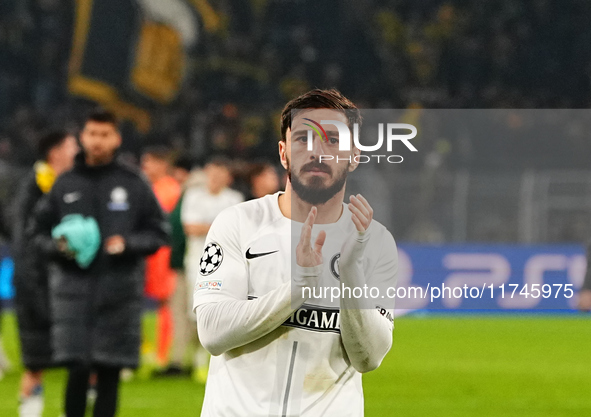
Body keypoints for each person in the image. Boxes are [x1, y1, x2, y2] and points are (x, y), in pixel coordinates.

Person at [193, 89, 398, 416]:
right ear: (284, 153)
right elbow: (213, 333)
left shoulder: (374, 242)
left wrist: (350, 273)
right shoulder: (238, 223)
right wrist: (298, 288)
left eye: (332, 139)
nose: (317, 151)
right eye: (303, 138)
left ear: (354, 155)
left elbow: (369, 357)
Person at [31, 109, 168, 417]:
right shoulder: (65, 183)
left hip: (118, 294)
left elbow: (159, 232)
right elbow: (36, 234)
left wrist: (128, 244)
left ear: (116, 138)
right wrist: (60, 246)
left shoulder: (133, 183)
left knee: (109, 373)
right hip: (73, 295)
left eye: (104, 134)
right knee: (77, 370)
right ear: (82, 137)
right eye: (92, 134)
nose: (97, 141)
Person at [11, 130, 78, 417]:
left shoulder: (69, 185)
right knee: (35, 363)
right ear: (56, 153)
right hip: (37, 286)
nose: (78, 150)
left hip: (65, 285)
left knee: (82, 362)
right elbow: (24, 243)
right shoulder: (33, 188)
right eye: (72, 145)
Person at [182, 156, 243, 382]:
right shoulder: (193, 197)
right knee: (197, 312)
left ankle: (219, 362)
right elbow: (190, 227)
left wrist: (208, 227)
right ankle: (199, 360)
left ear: (228, 177)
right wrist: (220, 226)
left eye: (220, 174)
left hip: (227, 264)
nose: (215, 178)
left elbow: (237, 232)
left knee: (223, 311)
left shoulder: (235, 198)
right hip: (197, 263)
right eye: (212, 173)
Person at [140, 147, 181, 369]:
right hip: (146, 253)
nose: (145, 167)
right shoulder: (148, 187)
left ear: (162, 164)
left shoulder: (170, 190)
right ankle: (144, 348)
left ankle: (162, 352)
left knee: (165, 303)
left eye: (150, 162)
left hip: (162, 255)